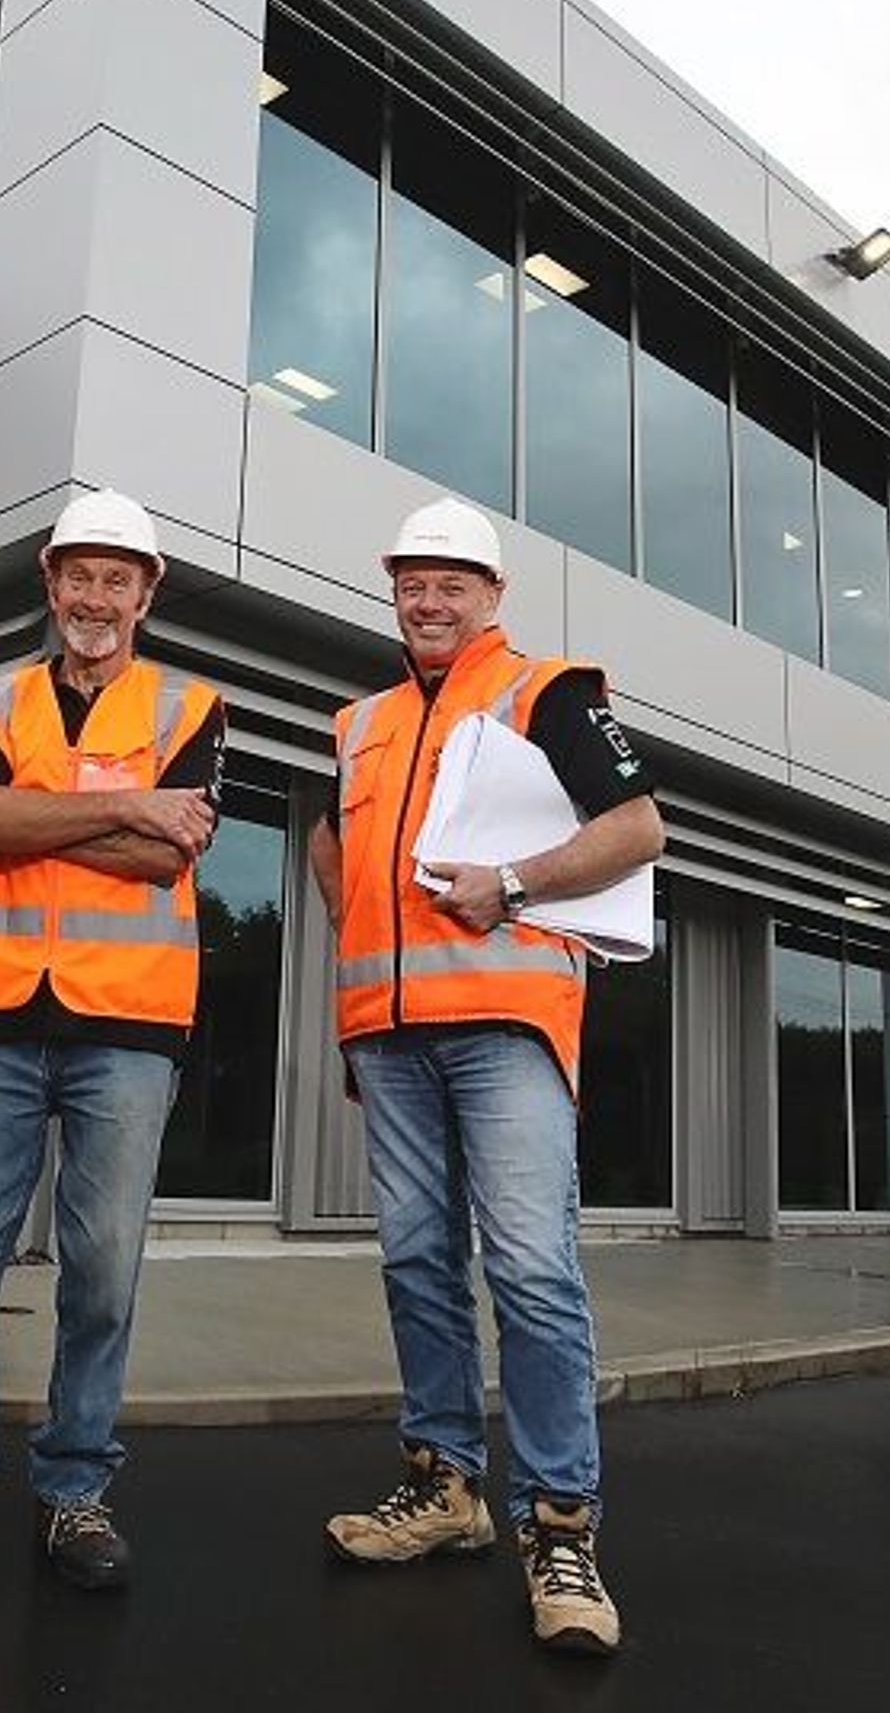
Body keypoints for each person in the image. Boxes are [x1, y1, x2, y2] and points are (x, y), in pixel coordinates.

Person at [307, 494, 663, 1658]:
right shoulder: (357, 720)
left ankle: (561, 1525)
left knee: (529, 1265)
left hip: (505, 1018)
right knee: (416, 1259)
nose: (430, 597)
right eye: (413, 579)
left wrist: (509, 885)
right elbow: (331, 844)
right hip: (389, 1029)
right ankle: (443, 1485)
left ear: (492, 596)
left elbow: (639, 828)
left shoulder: (546, 691)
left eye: (453, 582)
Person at [0, 488, 225, 1594]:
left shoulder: (189, 704)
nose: (96, 595)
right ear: (49, 579)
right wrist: (120, 812)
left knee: (103, 1271)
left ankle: (74, 1489)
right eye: (81, 573)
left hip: (128, 1021)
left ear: (147, 591)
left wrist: (39, 814)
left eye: (120, 576)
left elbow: (170, 857)